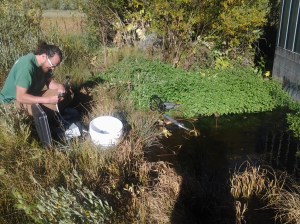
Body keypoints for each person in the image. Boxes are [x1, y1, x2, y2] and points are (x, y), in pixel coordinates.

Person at [0, 41, 68, 114]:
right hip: (11, 102)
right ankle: (51, 119)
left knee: (66, 93)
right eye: (52, 65)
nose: (53, 68)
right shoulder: (27, 67)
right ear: (44, 56)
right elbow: (20, 97)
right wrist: (48, 100)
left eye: (55, 66)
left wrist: (60, 87)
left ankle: (55, 115)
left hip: (30, 96)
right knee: (40, 109)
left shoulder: (44, 66)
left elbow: (49, 82)